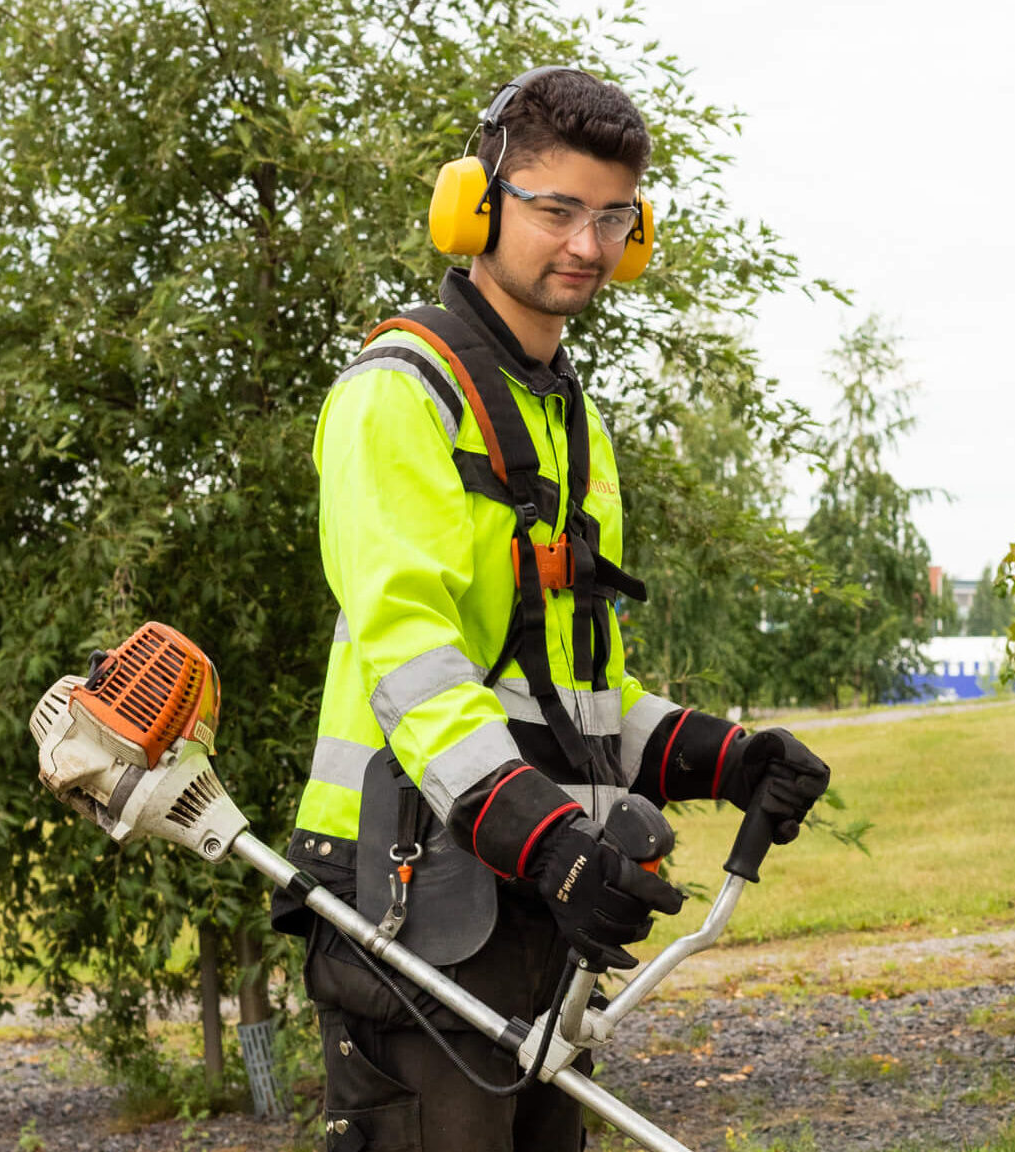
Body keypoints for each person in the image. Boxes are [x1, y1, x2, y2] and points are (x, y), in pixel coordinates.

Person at [269, 67, 831, 1152]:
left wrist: (726, 761)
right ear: (475, 206)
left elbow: (579, 696)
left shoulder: (569, 422)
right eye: (555, 209)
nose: (585, 244)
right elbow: (415, 668)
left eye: (612, 217)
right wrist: (550, 842)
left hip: (537, 896)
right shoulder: (397, 395)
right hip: (414, 898)